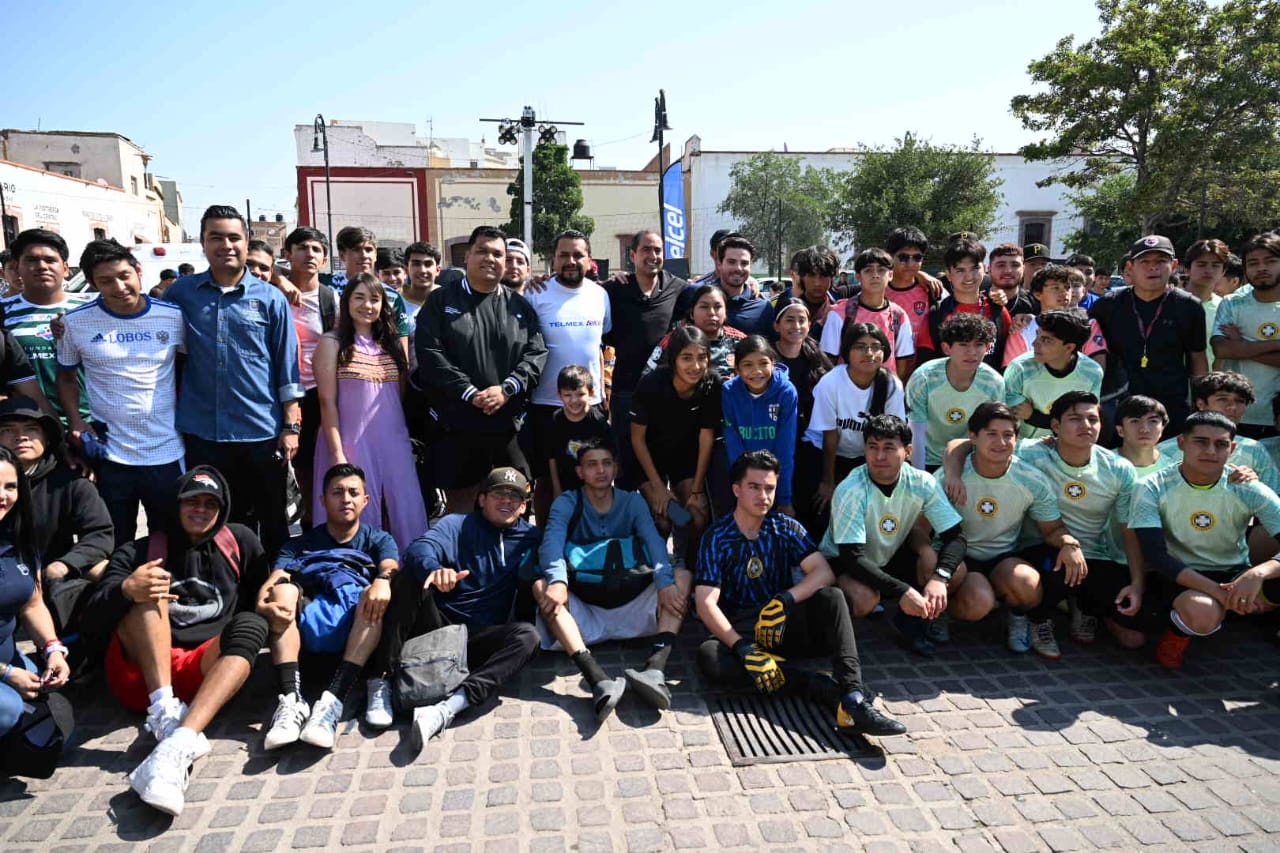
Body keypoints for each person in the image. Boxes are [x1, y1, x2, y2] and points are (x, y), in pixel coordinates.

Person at [83, 466, 271, 816]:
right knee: (148, 589)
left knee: (252, 623)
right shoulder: (140, 551)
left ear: (223, 510)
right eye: (191, 502)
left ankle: (177, 743)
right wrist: (126, 590)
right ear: (176, 504)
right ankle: (164, 711)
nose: (200, 510)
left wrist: (287, 591)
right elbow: (91, 620)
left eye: (210, 504)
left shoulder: (239, 541)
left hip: (205, 676)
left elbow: (265, 593)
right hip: (143, 676)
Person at [693, 450, 905, 736]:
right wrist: (742, 648)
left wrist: (785, 599)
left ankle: (853, 695)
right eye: (754, 487)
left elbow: (823, 571)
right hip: (743, 629)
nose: (763, 496)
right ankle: (814, 684)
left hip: (783, 624)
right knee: (710, 657)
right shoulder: (716, 536)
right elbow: (705, 603)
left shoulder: (785, 527)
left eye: (769, 488)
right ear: (736, 490)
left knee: (832, 597)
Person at [163, 206, 303, 560]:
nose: (225, 245)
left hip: (261, 431)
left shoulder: (270, 298)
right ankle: (224, 583)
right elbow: (143, 323)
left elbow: (287, 366)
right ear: (202, 243)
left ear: (246, 242)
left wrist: (291, 426)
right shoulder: (181, 294)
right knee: (217, 521)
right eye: (216, 237)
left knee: (273, 519)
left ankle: (275, 582)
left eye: (233, 237)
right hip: (202, 432)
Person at [377, 466, 541, 749]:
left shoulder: (532, 537)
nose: (506, 500)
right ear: (482, 499)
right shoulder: (456, 524)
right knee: (409, 578)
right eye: (499, 494)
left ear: (524, 506)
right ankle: (382, 679)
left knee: (528, 637)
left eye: (514, 496)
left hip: (477, 637)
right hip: (439, 624)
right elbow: (420, 548)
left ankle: (449, 707)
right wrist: (435, 569)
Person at [534, 440, 683, 716]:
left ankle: (655, 669)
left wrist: (665, 583)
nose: (600, 470)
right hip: (586, 610)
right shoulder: (566, 502)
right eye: (592, 465)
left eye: (606, 463)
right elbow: (551, 544)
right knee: (541, 586)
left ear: (615, 469)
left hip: (633, 604)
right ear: (580, 472)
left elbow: (654, 543)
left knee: (682, 576)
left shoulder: (633, 501)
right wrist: (558, 581)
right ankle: (596, 678)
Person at [258, 463, 399, 749]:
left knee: (376, 591)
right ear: (322, 501)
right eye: (337, 492)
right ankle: (291, 700)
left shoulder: (378, 539)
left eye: (353, 492)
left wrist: (383, 580)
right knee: (282, 591)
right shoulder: (298, 544)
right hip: (304, 638)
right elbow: (274, 579)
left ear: (365, 500)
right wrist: (263, 604)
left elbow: (390, 566)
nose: (345, 499)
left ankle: (333, 700)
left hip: (358, 638)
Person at [55, 240, 186, 548]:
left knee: (168, 541)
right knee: (112, 542)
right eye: (106, 280)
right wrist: (76, 421)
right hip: (110, 453)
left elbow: (191, 368)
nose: (119, 286)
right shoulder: (74, 323)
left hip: (166, 451)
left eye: (124, 275)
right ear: (92, 283)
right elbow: (66, 377)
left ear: (138, 271)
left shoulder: (173, 316)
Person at [1130, 411, 1280, 669]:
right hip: (1180, 576)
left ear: (1232, 449)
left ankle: (1254, 614)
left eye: (1221, 444)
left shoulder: (1247, 486)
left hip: (1236, 575)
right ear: (1181, 443)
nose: (1211, 451)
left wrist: (1257, 574)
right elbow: (1156, 556)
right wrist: (1221, 593)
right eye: (1200, 442)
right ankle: (1178, 635)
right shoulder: (1151, 486)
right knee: (1201, 612)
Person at [417, 226, 547, 513]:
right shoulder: (441, 301)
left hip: (507, 426)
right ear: (467, 256)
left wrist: (507, 389)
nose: (490, 258)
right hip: (457, 427)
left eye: (498, 254)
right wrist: (468, 392)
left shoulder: (520, 306)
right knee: (461, 512)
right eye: (482, 251)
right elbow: (430, 353)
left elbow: (536, 354)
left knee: (510, 506)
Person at [940, 402, 1083, 658]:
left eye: (1008, 435)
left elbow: (1052, 529)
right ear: (973, 437)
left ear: (1017, 438)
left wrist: (1069, 543)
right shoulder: (952, 475)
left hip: (1002, 558)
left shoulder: (1031, 479)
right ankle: (937, 612)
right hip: (959, 558)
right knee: (978, 603)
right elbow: (921, 528)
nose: (1001, 442)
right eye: (992, 434)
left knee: (1027, 582)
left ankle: (1019, 618)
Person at [824, 415, 976, 657]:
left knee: (954, 570)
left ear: (908, 452)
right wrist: (904, 591)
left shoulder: (922, 482)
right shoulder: (851, 489)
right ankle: (831, 634)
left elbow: (956, 537)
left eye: (888, 448)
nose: (879, 456)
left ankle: (912, 620)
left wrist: (940, 578)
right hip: (844, 563)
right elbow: (852, 557)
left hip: (890, 555)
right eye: (872, 447)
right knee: (864, 598)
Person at [1005, 392, 1144, 651]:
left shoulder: (1119, 469)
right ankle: (1036, 618)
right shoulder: (1030, 452)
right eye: (1075, 419)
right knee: (1051, 574)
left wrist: (1137, 583)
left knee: (1133, 636)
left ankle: (1083, 606)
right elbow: (964, 445)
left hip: (1094, 555)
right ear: (1055, 426)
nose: (1086, 425)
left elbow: (1129, 530)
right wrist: (954, 471)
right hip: (1041, 548)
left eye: (1093, 419)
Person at [312, 273, 426, 548]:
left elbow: (398, 395)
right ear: (347, 302)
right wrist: (337, 454)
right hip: (349, 440)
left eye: (374, 299)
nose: (367, 305)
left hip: (393, 439)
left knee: (407, 507)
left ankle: (411, 567)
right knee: (354, 509)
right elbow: (327, 402)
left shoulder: (390, 344)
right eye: (359, 298)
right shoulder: (331, 343)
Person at [0, 396, 112, 637]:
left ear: (47, 438)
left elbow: (99, 533)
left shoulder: (70, 482)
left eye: (31, 429)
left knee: (109, 573)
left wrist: (64, 565)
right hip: (4, 576)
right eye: (8, 430)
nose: (21, 437)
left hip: (51, 574)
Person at [523, 230, 612, 520]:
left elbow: (601, 345)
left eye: (577, 255)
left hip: (590, 405)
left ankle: (590, 537)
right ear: (553, 259)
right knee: (546, 482)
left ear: (589, 259)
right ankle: (547, 539)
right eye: (563, 255)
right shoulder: (535, 293)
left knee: (593, 476)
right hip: (546, 405)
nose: (571, 261)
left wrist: (604, 394)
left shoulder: (600, 295)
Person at [1090, 235, 1207, 438]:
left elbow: (1197, 358)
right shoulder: (1107, 305)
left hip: (1170, 407)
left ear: (1174, 265)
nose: (1153, 268)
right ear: (1130, 267)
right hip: (1119, 405)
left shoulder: (1189, 306)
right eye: (1144, 262)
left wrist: (1201, 406)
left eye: (1161, 261)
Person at [0, 445, 71, 772]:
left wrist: (53, 650)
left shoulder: (17, 537)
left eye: (10, 486)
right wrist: (8, 673)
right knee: (9, 710)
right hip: (4, 668)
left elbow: (33, 602)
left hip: (7, 657)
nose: (2, 496)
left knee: (58, 725)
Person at [629, 325, 719, 564]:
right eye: (687, 358)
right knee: (665, 517)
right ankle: (654, 568)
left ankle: (686, 566)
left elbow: (706, 437)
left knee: (695, 517)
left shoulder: (711, 383)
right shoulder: (652, 383)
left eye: (702, 357)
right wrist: (658, 487)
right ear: (673, 359)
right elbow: (637, 439)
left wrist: (697, 491)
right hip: (649, 459)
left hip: (684, 458)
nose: (695, 366)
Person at [804, 323, 907, 519]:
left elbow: (893, 436)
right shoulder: (831, 382)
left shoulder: (891, 384)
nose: (869, 353)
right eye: (860, 347)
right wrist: (828, 481)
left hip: (868, 455)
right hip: (826, 452)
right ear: (847, 352)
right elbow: (830, 435)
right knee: (824, 507)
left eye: (876, 347)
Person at [2, 229, 92, 422]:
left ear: (65, 268)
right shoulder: (3, 311)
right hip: (29, 426)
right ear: (17, 268)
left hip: (91, 422)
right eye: (32, 260)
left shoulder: (90, 309)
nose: (42, 266)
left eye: (50, 260)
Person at [906, 313, 1004, 471]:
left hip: (969, 460)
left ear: (987, 348)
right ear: (946, 348)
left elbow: (990, 432)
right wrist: (921, 476)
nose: (972, 352)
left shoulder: (994, 382)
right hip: (927, 458)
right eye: (963, 344)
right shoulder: (924, 378)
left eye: (979, 344)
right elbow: (916, 433)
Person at [1211, 233, 1280, 438]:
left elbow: (1232, 350)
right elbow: (1222, 349)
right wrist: (1276, 344)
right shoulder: (1232, 303)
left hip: (1276, 418)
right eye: (1253, 263)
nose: (1261, 268)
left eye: (1270, 261)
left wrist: (1240, 346)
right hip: (1236, 414)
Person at [722, 336, 799, 515]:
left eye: (763, 363)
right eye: (748, 365)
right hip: (742, 476)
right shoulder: (729, 391)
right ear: (737, 369)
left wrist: (784, 498)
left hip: (774, 477)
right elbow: (733, 442)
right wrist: (744, 485)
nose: (757, 371)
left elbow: (785, 447)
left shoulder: (786, 392)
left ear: (773, 363)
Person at [1004, 310, 1104, 439]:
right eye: (1037, 335)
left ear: (1069, 347)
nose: (1034, 343)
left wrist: (1033, 416)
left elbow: (1085, 420)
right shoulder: (1019, 369)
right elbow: (1007, 419)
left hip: (1068, 444)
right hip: (1022, 446)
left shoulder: (1092, 373)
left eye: (1046, 340)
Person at [916, 238, 1012, 369]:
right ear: (948, 274)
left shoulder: (998, 310)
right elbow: (925, 362)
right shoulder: (937, 314)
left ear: (984, 269)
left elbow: (1008, 356)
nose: (969, 277)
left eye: (974, 268)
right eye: (960, 270)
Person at [820, 248, 915, 380]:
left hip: (885, 390)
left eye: (881, 270)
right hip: (846, 390)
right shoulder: (840, 313)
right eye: (868, 270)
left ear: (890, 275)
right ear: (858, 276)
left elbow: (901, 362)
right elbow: (828, 361)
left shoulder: (899, 315)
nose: (875, 275)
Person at [1002, 265, 1108, 369]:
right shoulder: (1023, 328)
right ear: (1037, 294)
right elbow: (1012, 371)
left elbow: (1097, 365)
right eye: (1056, 288)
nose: (1064, 292)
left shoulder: (1088, 324)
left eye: (1067, 287)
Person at [331, 226, 412, 356]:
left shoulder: (391, 295)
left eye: (369, 250)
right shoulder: (327, 286)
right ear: (342, 255)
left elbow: (401, 344)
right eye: (356, 249)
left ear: (375, 255)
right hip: (332, 358)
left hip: (378, 363)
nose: (364, 255)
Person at [770, 297, 832, 458]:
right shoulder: (766, 359)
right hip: (774, 439)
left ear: (809, 325)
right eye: (789, 320)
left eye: (801, 320)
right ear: (776, 325)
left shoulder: (817, 358)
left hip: (810, 442)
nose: (796, 326)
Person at [542, 364, 615, 501]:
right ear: (559, 395)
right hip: (566, 488)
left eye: (580, 394)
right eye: (567, 395)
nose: (574, 400)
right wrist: (557, 489)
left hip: (595, 489)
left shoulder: (599, 423)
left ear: (591, 393)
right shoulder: (555, 420)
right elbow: (552, 458)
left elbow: (610, 459)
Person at [643, 283, 745, 380]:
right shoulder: (674, 341)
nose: (711, 312)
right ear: (692, 313)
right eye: (704, 307)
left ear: (726, 312)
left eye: (717, 307)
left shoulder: (740, 341)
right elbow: (647, 380)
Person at [706, 234, 770, 336]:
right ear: (719, 264)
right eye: (731, 262)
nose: (738, 268)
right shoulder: (699, 298)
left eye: (744, 263)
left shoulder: (763, 308)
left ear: (750, 266)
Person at [884, 227, 939, 345]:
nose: (910, 264)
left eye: (917, 258)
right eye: (903, 257)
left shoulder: (933, 291)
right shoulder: (878, 291)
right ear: (890, 257)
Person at [774, 246, 840, 341]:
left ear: (832, 277)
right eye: (811, 275)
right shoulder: (788, 307)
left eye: (823, 275)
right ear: (802, 276)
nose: (817, 283)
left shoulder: (841, 304)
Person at [1183, 239, 1229, 370]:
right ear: (1187, 269)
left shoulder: (1226, 308)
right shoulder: (1171, 303)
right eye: (1201, 264)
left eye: (1216, 265)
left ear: (1223, 271)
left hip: (1212, 379)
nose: (1209, 270)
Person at [1114, 395, 1171, 479]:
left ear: (1162, 428)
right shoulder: (1103, 465)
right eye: (1135, 421)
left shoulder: (1171, 468)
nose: (1144, 429)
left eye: (1153, 421)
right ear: (1120, 430)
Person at [987, 243, 1036, 317]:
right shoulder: (977, 301)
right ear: (989, 269)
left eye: (1015, 265)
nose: (1008, 271)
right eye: (1001, 265)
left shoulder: (1035, 304)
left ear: (1023, 269)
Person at [402, 241, 442, 321]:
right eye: (416, 264)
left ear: (437, 270)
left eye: (428, 264)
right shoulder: (395, 301)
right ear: (406, 269)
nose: (422, 270)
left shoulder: (450, 300)